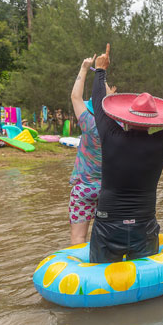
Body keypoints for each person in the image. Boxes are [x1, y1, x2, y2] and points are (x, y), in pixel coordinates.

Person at [89, 44, 163, 263]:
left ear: (125, 116)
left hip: (107, 225)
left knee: (101, 285)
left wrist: (100, 71)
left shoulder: (109, 134)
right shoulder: (160, 143)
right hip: (143, 226)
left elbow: (97, 102)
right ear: (154, 120)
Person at [68, 55, 116, 245]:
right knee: (107, 235)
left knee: (78, 237)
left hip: (85, 189)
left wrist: (85, 68)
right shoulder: (117, 125)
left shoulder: (88, 123)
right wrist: (102, 74)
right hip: (109, 190)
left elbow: (75, 96)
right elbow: (108, 101)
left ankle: (79, 272)